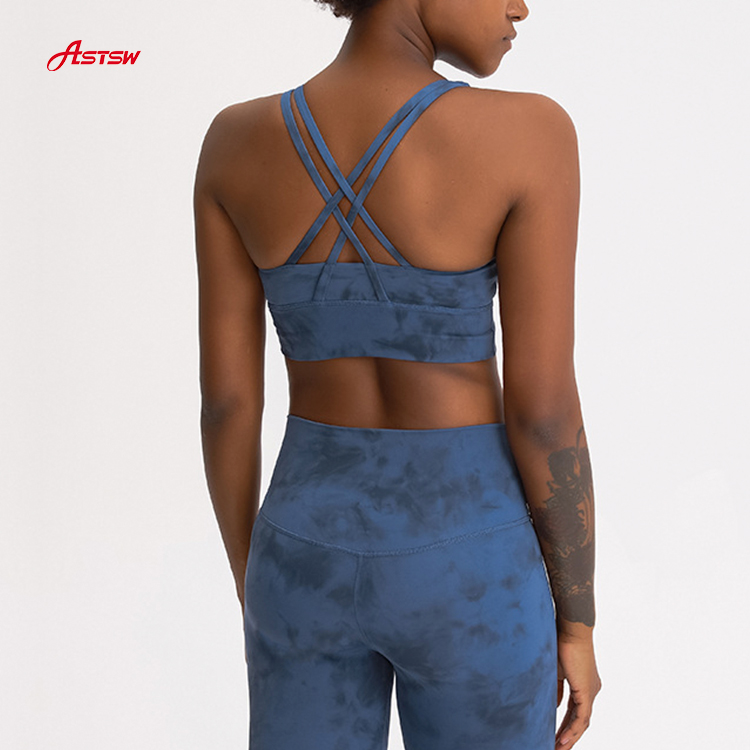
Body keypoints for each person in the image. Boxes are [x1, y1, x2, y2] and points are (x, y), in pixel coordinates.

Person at [194, 0, 602, 747]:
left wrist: (260, 582)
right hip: (469, 560)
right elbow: (544, 413)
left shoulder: (234, 140)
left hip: (300, 549)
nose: (521, 6)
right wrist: (577, 621)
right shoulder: (529, 133)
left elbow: (226, 404)